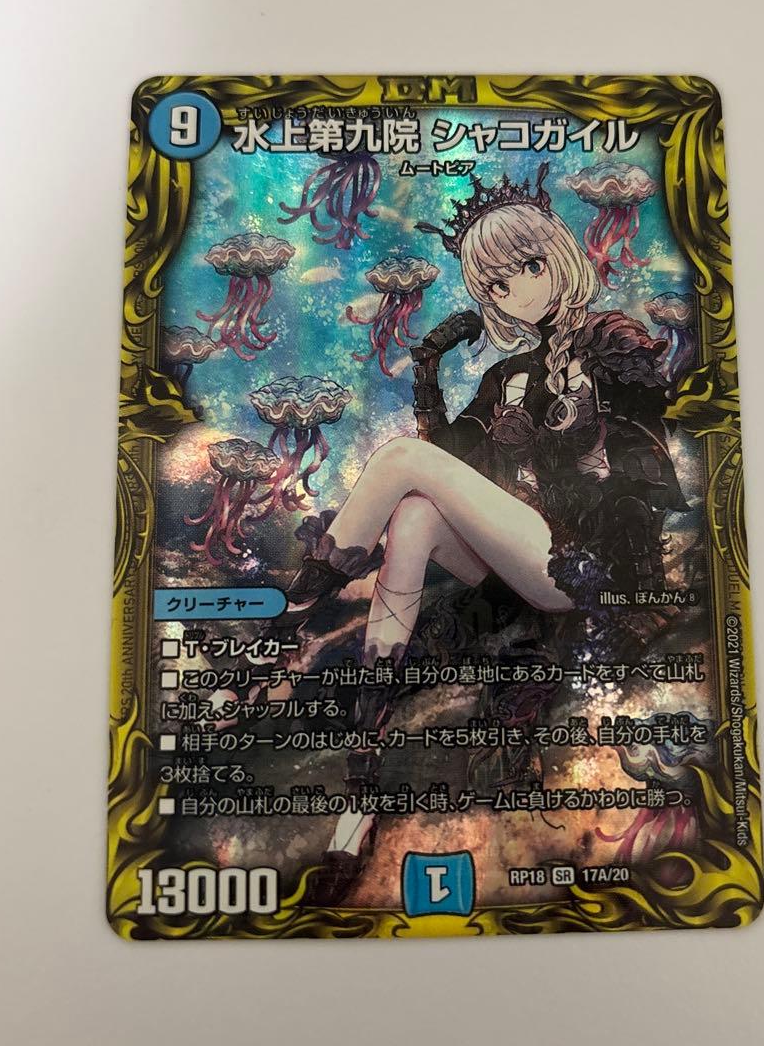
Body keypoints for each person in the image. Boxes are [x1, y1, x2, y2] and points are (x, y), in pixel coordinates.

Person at [286, 163, 688, 902]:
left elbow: (644, 463)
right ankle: (362, 780)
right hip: (521, 558)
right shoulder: (508, 378)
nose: (514, 291)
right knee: (414, 510)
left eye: (527, 267)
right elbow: (449, 463)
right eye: (496, 284)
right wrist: (428, 369)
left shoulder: (612, 344)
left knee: (401, 463)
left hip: (587, 565)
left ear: (556, 258)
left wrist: (583, 450)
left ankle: (293, 613)